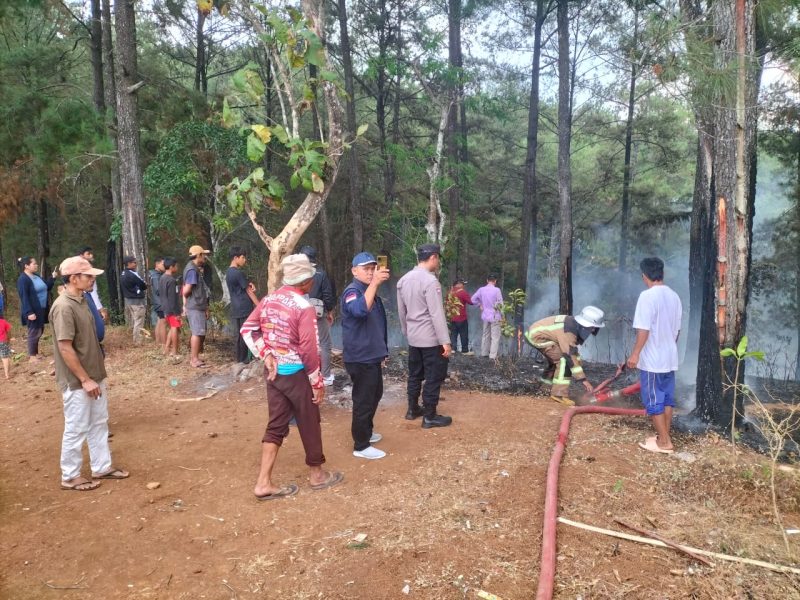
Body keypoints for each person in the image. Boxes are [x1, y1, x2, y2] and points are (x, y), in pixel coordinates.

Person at [241, 253, 343, 499]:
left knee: (276, 424)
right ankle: (317, 475)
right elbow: (308, 349)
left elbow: (248, 329)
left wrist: (266, 354)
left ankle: (263, 482)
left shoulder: (268, 300)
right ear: (306, 281)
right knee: (309, 421)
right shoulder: (304, 307)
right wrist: (317, 381)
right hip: (297, 374)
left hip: (274, 373)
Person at [50, 256, 129, 491]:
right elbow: (65, 346)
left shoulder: (82, 300)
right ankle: (70, 475)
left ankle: (102, 466)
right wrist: (84, 379)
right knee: (76, 427)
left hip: (94, 374)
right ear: (74, 279)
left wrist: (93, 377)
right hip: (78, 381)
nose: (92, 279)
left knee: (99, 422)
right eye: (88, 276)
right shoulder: (64, 306)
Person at [626, 257, 683, 454]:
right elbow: (677, 331)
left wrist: (635, 354)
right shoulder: (675, 296)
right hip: (669, 358)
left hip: (652, 361)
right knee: (667, 399)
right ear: (662, 273)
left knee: (653, 401)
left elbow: (644, 329)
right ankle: (663, 436)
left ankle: (665, 443)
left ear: (644, 276)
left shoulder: (647, 296)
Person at [396, 243, 453, 428]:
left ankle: (412, 409)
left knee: (414, 374)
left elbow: (401, 312)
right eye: (438, 259)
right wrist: (445, 341)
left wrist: (407, 332)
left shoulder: (403, 280)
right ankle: (429, 416)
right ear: (433, 257)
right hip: (430, 339)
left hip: (414, 338)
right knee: (433, 376)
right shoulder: (430, 281)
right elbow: (436, 314)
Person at [341, 252, 391, 459]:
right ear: (354, 271)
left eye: (373, 268)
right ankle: (360, 445)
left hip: (372, 355)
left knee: (375, 394)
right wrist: (375, 284)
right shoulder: (352, 291)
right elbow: (360, 310)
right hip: (360, 357)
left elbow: (377, 324)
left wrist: (382, 351)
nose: (371, 272)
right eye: (366, 269)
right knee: (363, 399)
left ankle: (367, 433)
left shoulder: (370, 291)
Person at [524, 306, 603, 406]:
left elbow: (573, 351)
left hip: (537, 334)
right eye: (593, 327)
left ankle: (545, 387)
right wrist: (583, 380)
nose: (593, 330)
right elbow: (569, 355)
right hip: (537, 337)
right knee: (564, 361)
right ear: (585, 324)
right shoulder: (569, 331)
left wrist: (578, 365)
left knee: (557, 360)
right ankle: (559, 394)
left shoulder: (573, 324)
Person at [299, 246, 337, 386]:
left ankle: (305, 375)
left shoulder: (297, 274)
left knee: (303, 344)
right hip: (317, 314)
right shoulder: (320, 273)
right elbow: (327, 295)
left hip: (299, 315)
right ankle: (326, 376)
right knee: (325, 344)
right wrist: (330, 311)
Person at [16, 256, 55, 361]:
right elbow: (24, 297)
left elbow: (46, 287)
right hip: (32, 310)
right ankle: (32, 356)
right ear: (26, 266)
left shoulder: (36, 276)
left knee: (40, 330)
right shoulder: (23, 279)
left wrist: (52, 278)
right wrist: (29, 312)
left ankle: (35, 353)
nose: (36, 265)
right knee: (34, 331)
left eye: (36, 263)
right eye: (34, 263)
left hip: (41, 308)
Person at [226, 247, 258, 365]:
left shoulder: (229, 272)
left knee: (239, 335)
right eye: (243, 257)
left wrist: (249, 283)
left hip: (235, 307)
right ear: (236, 258)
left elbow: (241, 286)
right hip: (244, 307)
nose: (245, 260)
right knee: (247, 333)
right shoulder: (238, 273)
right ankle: (246, 360)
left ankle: (240, 359)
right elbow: (249, 291)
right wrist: (259, 305)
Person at [182, 245, 211, 368]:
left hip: (197, 305)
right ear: (198, 255)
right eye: (203, 255)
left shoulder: (194, 269)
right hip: (195, 306)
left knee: (198, 332)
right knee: (196, 333)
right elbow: (186, 289)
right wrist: (188, 301)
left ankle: (196, 357)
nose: (205, 257)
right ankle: (194, 359)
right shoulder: (192, 270)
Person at [471, 274, 503, 359]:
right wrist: (503, 315)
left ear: (487, 280)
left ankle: (484, 353)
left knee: (485, 334)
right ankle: (492, 356)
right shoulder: (497, 290)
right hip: (495, 316)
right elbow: (500, 304)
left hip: (485, 315)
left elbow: (472, 299)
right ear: (495, 281)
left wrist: (479, 305)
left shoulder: (481, 290)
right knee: (495, 337)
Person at [120, 256, 148, 343]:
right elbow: (143, 285)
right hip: (137, 301)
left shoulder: (123, 273)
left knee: (136, 320)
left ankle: (136, 339)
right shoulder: (132, 274)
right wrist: (145, 285)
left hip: (129, 301)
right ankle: (137, 341)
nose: (136, 264)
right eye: (134, 262)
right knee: (139, 321)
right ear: (129, 263)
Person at [77, 246, 108, 322]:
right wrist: (100, 308)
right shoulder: (84, 270)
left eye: (91, 253)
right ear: (81, 256)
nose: (91, 255)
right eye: (88, 254)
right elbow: (93, 291)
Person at [159, 258, 182, 359]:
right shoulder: (172, 280)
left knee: (172, 327)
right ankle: (174, 351)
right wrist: (177, 313)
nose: (177, 267)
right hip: (172, 308)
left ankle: (166, 349)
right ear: (172, 267)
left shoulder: (162, 277)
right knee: (175, 328)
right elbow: (173, 298)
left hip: (165, 306)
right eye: (176, 266)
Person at [447, 279, 474, 354]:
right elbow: (471, 302)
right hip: (461, 317)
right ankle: (464, 350)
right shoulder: (462, 292)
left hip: (452, 317)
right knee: (464, 334)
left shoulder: (450, 292)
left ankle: (453, 349)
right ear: (458, 284)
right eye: (463, 284)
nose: (464, 285)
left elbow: (447, 303)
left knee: (453, 334)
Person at [149, 257, 166, 345]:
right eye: (163, 264)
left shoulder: (156, 274)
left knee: (159, 321)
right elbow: (158, 290)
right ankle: (163, 344)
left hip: (158, 302)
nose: (165, 266)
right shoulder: (156, 276)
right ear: (157, 264)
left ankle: (158, 343)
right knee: (162, 322)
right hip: (160, 302)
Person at [0, 314, 11, 379]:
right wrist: (8, 339)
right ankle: (7, 374)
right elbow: (9, 331)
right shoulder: (3, 321)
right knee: (5, 358)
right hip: (3, 341)